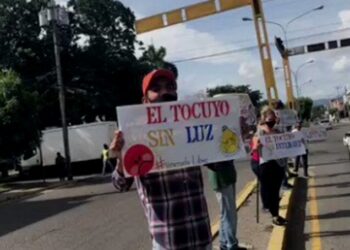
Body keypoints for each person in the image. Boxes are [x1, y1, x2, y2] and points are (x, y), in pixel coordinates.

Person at [110, 69, 212, 250]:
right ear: (145, 100)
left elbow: (218, 164)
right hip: (167, 242)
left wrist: (236, 137)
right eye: (156, 89)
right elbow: (120, 184)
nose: (165, 92)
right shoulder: (134, 137)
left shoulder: (191, 131)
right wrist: (120, 158)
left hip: (201, 236)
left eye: (170, 87)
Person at [253, 106, 287, 226]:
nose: (272, 119)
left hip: (278, 164)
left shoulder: (277, 131)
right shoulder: (259, 132)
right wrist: (256, 146)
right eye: (269, 117)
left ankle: (276, 214)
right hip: (266, 165)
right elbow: (254, 150)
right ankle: (274, 215)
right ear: (264, 117)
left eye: (273, 116)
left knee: (276, 191)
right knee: (271, 191)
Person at [207, 160, 249, 250]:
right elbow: (206, 159)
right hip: (221, 177)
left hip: (228, 175)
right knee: (229, 214)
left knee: (226, 214)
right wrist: (216, 164)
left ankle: (224, 243)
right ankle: (231, 244)